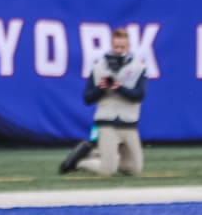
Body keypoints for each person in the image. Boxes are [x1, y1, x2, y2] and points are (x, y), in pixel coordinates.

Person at [61, 28, 147, 177]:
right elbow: (87, 99)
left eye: (122, 47)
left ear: (128, 47)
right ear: (111, 46)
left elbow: (138, 95)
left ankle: (96, 154)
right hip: (106, 122)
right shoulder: (99, 68)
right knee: (107, 170)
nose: (119, 50)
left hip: (129, 122)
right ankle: (80, 161)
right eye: (116, 47)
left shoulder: (139, 68)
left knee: (133, 169)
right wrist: (101, 89)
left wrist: (119, 87)